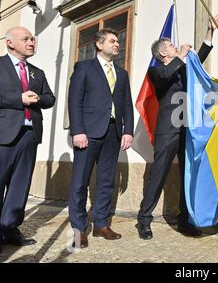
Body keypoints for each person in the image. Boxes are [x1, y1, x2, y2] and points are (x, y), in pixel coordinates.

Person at [136, 15, 218, 240]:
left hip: (188, 128)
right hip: (168, 128)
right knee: (158, 174)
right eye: (172, 46)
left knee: (188, 175)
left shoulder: (182, 67)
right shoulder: (156, 71)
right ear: (163, 52)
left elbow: (199, 60)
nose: (176, 47)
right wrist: (182, 55)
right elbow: (165, 76)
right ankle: (144, 220)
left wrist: (209, 33)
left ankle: (185, 220)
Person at [68, 28, 134, 248]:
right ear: (99, 44)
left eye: (117, 41)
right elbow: (74, 100)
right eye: (113, 41)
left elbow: (126, 105)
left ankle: (101, 224)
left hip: (113, 134)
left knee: (106, 182)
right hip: (87, 134)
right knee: (80, 182)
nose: (117, 44)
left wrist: (128, 131)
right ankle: (79, 230)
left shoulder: (122, 73)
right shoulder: (84, 68)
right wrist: (77, 130)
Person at [0, 27, 55, 250]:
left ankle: (9, 228)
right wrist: (18, 98)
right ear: (10, 43)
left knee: (20, 185)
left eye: (32, 39)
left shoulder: (37, 72)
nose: (32, 42)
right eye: (26, 39)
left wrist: (37, 98)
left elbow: (50, 98)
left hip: (29, 135)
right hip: (3, 135)